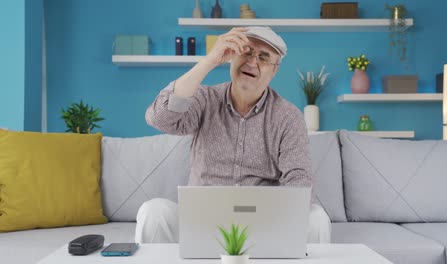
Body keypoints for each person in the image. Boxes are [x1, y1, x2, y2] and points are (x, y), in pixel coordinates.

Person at [135, 26, 331, 244]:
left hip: (263, 225)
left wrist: (273, 220)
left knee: (317, 219)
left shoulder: (288, 117)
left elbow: (299, 181)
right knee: (153, 212)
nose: (252, 62)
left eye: (263, 57)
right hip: (201, 220)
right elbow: (159, 118)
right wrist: (209, 61)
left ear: (274, 70)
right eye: (246, 52)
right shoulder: (204, 99)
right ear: (231, 56)